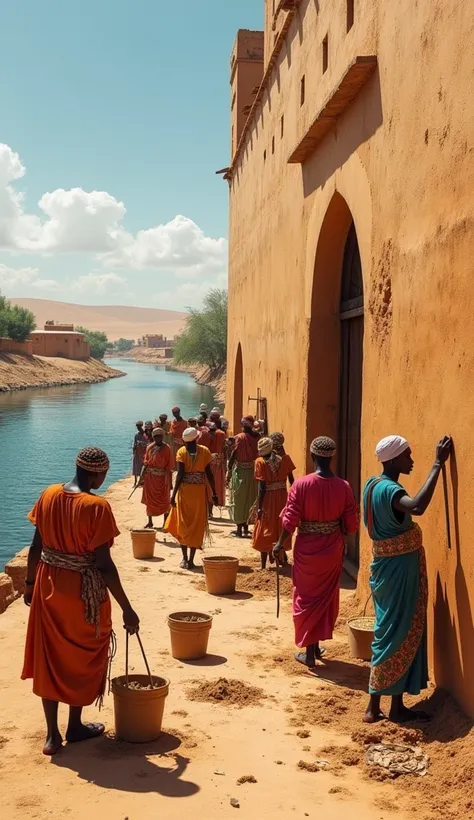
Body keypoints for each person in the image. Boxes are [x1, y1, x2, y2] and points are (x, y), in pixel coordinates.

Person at [21, 447, 139, 756]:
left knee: (50, 657)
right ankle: (74, 725)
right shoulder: (96, 507)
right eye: (104, 474)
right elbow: (103, 565)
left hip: (49, 584)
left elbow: (36, 548)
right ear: (98, 473)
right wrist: (127, 608)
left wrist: (30, 585)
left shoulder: (47, 495)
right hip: (83, 592)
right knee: (84, 654)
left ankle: (52, 735)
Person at [362, 434, 452, 725]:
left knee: (389, 630)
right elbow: (416, 507)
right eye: (407, 456)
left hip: (387, 569)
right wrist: (437, 464)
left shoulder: (371, 485)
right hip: (398, 570)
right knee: (395, 632)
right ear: (393, 459)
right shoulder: (389, 489)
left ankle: (384, 706)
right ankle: (382, 706)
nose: (411, 460)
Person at [273, 436, 359, 667]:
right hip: (332, 550)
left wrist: (280, 544)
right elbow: (351, 525)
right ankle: (315, 646)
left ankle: (309, 652)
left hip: (306, 549)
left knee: (306, 596)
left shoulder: (301, 485)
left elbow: (290, 520)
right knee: (325, 597)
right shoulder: (344, 486)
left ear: (313, 457)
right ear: (331, 457)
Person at [165, 428, 218, 569]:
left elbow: (180, 476)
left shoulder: (181, 452)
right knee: (197, 524)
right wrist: (214, 493)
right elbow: (209, 474)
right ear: (196, 438)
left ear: (184, 440)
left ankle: (184, 558)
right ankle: (191, 560)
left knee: (183, 523)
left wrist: (173, 494)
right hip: (199, 492)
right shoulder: (205, 451)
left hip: (185, 491)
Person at [252, 437, 295, 569]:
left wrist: (259, 507)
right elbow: (292, 481)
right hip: (282, 497)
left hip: (268, 499)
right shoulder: (285, 460)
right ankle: (281, 557)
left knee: (264, 527)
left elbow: (262, 487)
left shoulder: (260, 462)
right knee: (280, 526)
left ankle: (263, 565)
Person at [227, 415, 259, 537]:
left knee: (239, 499)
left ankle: (239, 530)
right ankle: (246, 528)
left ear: (243, 426)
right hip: (253, 472)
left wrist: (229, 469)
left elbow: (235, 453)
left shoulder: (240, 437)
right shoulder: (258, 437)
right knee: (250, 499)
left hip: (241, 471)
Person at [141, 427, 174, 529]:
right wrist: (141, 477)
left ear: (162, 437)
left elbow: (170, 467)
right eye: (155, 437)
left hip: (162, 479)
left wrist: (170, 482)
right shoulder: (150, 448)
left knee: (165, 500)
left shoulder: (167, 448)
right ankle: (150, 522)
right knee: (149, 501)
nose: (157, 439)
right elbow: (145, 463)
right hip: (150, 479)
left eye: (159, 437)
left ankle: (165, 523)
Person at [207, 421, 227, 518]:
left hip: (209, 463)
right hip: (218, 463)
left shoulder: (206, 434)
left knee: (208, 487)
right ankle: (210, 511)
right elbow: (225, 449)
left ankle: (209, 511)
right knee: (216, 486)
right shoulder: (222, 434)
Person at [132, 421, 148, 487]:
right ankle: (135, 482)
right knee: (135, 467)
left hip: (144, 454)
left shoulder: (145, 435)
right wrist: (134, 448)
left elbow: (147, 444)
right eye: (137, 426)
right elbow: (134, 444)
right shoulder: (136, 435)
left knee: (143, 467)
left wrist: (142, 445)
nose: (138, 428)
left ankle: (141, 481)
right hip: (137, 453)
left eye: (139, 426)